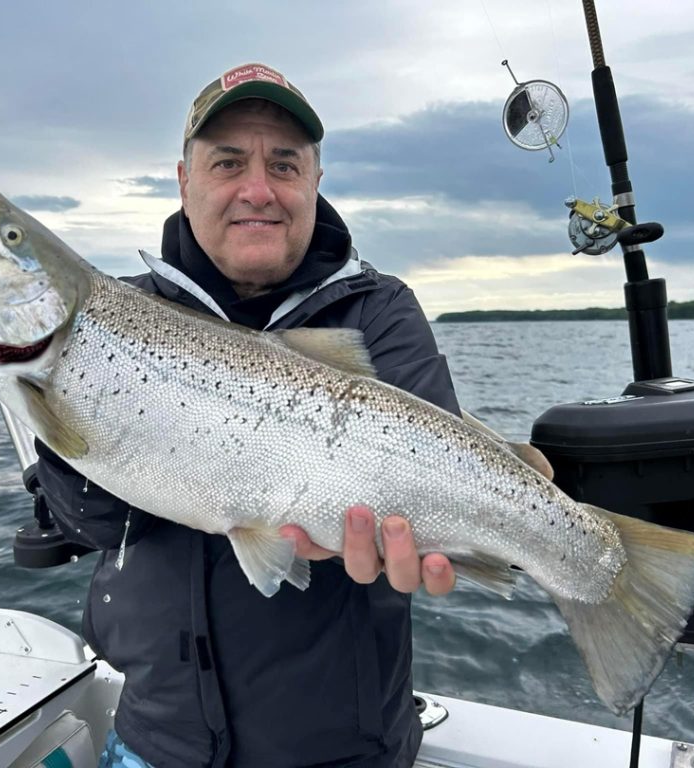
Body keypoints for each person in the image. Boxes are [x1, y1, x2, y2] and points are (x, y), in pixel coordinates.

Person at [34, 62, 461, 768]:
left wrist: (424, 542)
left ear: (315, 182)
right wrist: (57, 400)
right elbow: (91, 524)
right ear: (184, 181)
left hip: (344, 753)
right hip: (155, 741)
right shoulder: (118, 317)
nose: (257, 190)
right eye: (228, 162)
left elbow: (439, 488)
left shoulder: (380, 310)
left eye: (284, 165)